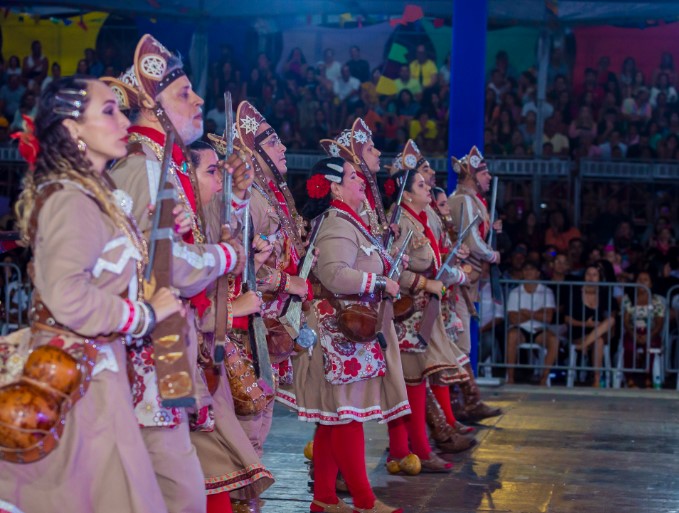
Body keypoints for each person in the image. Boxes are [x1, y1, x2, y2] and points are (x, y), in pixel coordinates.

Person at [0, 76, 184, 512]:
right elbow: (67, 295)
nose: (124, 122)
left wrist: (168, 236)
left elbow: (114, 271)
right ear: (72, 129)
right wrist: (143, 314)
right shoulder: (70, 199)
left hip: (99, 373)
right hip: (77, 380)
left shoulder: (96, 195)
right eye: (109, 111)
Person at [105, 34, 246, 513]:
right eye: (184, 92)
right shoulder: (147, 168)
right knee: (181, 492)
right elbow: (171, 268)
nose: (199, 99)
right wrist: (225, 257)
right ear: (151, 105)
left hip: (163, 347)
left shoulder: (159, 166)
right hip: (152, 353)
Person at [291, 157, 408, 513]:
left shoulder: (349, 222)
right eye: (353, 176)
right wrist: (380, 282)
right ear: (335, 188)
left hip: (346, 332)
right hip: (336, 331)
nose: (362, 181)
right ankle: (365, 501)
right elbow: (335, 275)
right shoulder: (336, 223)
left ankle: (325, 498)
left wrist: (389, 266)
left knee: (335, 418)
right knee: (347, 416)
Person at [186, 141, 275, 513]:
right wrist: (236, 307)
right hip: (187, 357)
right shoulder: (178, 221)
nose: (219, 180)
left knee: (230, 448)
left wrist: (253, 258)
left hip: (206, 354)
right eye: (211, 172)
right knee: (219, 455)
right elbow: (183, 297)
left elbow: (225, 251)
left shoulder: (197, 216)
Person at [231, 100, 309, 469]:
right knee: (250, 414)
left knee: (261, 414)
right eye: (273, 141)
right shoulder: (250, 199)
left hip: (268, 320)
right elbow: (241, 263)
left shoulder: (268, 195)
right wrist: (286, 281)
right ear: (253, 150)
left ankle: (248, 488)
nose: (283, 147)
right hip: (248, 322)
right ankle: (241, 490)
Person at [448, 146, 503, 420]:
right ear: (471, 176)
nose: (488, 177)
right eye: (483, 173)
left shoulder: (470, 200)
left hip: (467, 279)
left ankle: (461, 403)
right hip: (460, 279)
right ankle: (466, 402)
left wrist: (491, 228)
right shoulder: (464, 200)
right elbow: (471, 241)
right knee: (460, 342)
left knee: (459, 340)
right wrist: (492, 254)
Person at [505, 261, 559, 385]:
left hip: (540, 330)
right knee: (511, 336)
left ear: (538, 273)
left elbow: (548, 317)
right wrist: (538, 313)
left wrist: (526, 313)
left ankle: (544, 379)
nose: (528, 272)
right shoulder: (515, 292)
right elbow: (513, 318)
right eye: (526, 269)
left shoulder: (546, 291)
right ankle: (510, 377)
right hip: (520, 329)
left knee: (554, 340)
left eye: (532, 269)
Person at [564, 264, 616, 387]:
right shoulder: (575, 293)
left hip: (598, 332)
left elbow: (610, 316)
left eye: (594, 275)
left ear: (599, 278)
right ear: (584, 276)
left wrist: (598, 326)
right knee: (598, 340)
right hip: (579, 332)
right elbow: (567, 319)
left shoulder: (604, 293)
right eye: (588, 274)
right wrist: (586, 324)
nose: (591, 278)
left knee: (610, 322)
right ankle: (596, 378)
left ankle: (596, 378)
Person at [622, 271, 665, 388]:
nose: (641, 282)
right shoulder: (628, 298)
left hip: (651, 332)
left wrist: (649, 335)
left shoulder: (657, 300)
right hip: (632, 331)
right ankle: (629, 378)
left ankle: (648, 378)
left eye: (645, 280)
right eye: (639, 279)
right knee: (629, 348)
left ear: (651, 284)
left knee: (651, 349)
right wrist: (633, 334)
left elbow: (659, 323)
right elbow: (626, 321)